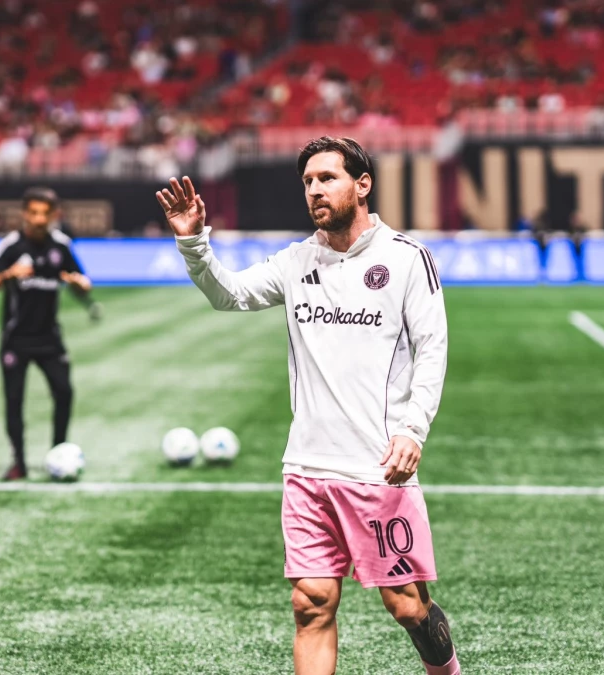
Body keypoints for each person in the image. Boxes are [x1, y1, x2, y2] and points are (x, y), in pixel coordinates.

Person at [156, 137, 458, 675]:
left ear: (362, 184)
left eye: (327, 178)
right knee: (310, 605)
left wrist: (413, 431)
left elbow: (433, 349)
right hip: (307, 469)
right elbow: (230, 295)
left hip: (378, 470)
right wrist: (194, 243)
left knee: (407, 606)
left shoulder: (408, 259)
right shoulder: (297, 261)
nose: (315, 190)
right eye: (308, 182)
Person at [0, 187, 101, 481]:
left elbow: (80, 280)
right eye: (33, 213)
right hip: (16, 339)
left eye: (44, 214)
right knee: (14, 400)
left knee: (64, 392)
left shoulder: (61, 246)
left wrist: (80, 285)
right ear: (24, 214)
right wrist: (9, 275)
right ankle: (18, 462)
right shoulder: (11, 246)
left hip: (49, 338)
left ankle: (58, 452)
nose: (38, 219)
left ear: (53, 216)